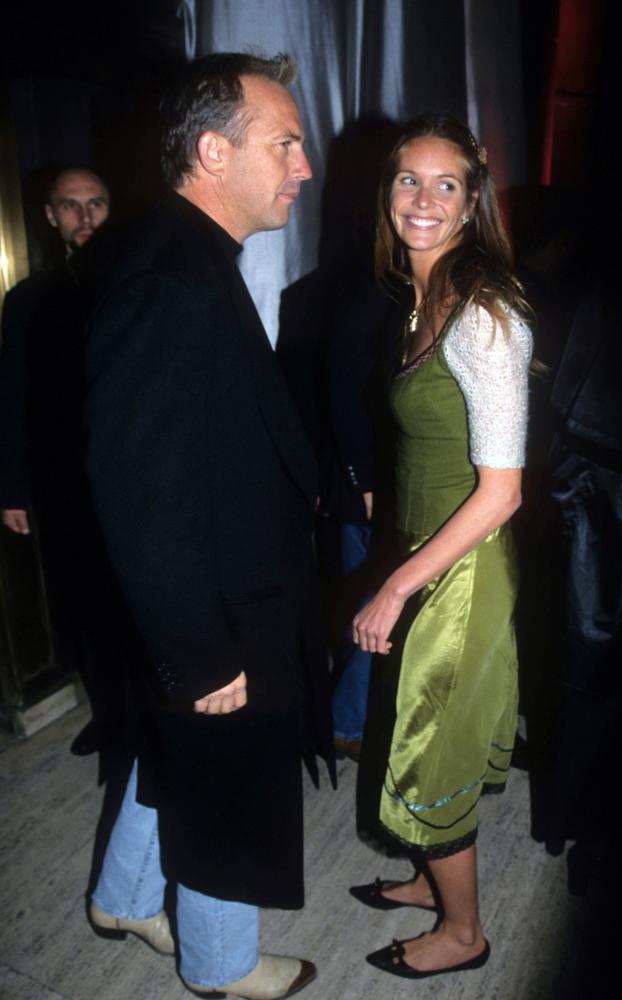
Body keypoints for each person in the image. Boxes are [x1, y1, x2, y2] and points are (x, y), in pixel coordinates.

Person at [83, 53, 334, 999]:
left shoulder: (192, 255)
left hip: (227, 582)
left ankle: (121, 895)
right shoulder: (167, 281)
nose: (303, 166)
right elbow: (139, 493)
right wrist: (198, 654)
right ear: (213, 151)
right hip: (213, 607)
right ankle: (222, 968)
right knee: (224, 773)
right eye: (286, 143)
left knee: (175, 752)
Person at [349, 113, 532, 979]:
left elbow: (502, 491)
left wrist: (393, 587)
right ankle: (432, 882)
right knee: (413, 730)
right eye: (407, 181)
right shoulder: (424, 298)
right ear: (387, 194)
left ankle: (465, 934)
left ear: (471, 203)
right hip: (424, 554)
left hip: (460, 572)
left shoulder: (485, 315)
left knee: (430, 751)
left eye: (445, 184)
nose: (422, 199)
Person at [0, 165, 117, 756]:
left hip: (126, 474)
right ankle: (108, 713)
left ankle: (144, 716)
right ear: (50, 217)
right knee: (83, 603)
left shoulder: (132, 283)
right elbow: (14, 395)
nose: (86, 217)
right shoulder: (26, 302)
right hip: (62, 482)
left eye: (96, 203)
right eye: (71, 206)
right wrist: (12, 487)